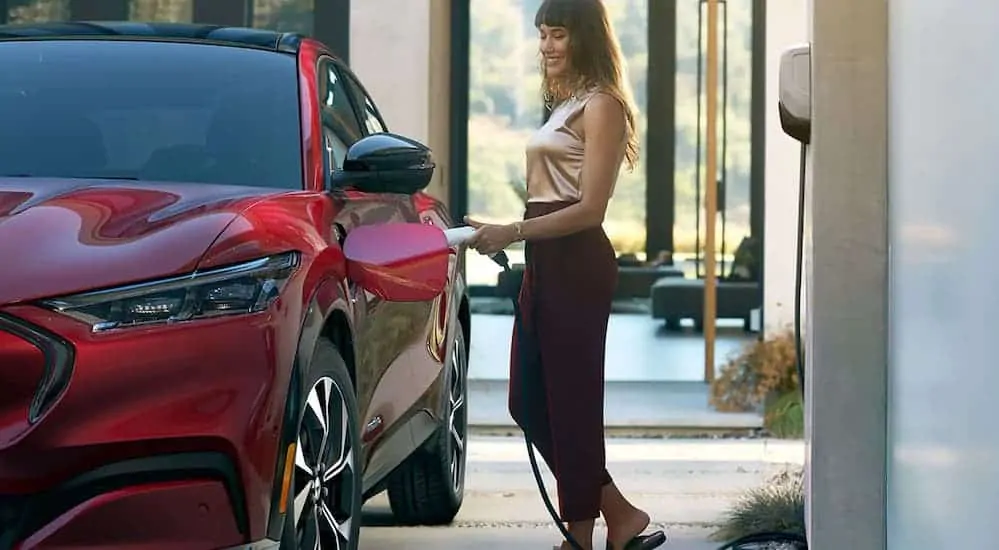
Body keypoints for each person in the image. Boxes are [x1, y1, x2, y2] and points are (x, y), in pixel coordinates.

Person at [465, 1, 667, 549]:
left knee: (571, 402)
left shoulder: (602, 106)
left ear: (585, 39)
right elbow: (542, 200)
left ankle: (579, 536)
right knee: (529, 401)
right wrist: (501, 230)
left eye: (558, 35)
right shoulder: (562, 104)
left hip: (577, 263)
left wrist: (514, 231)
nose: (547, 46)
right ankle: (619, 514)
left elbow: (590, 209)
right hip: (546, 262)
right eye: (543, 35)